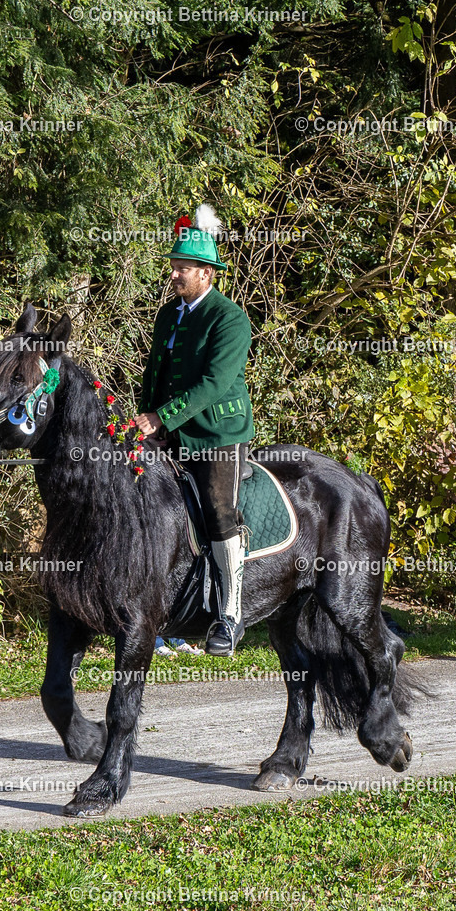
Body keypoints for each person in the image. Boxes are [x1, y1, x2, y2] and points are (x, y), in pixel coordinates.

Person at [136, 204, 255, 656]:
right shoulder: (169, 315)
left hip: (217, 433)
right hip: (171, 433)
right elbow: (154, 374)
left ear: (207, 273)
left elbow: (213, 384)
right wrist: (149, 420)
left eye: (182, 269)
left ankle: (230, 614)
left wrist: (163, 417)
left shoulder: (229, 319)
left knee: (217, 509)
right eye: (173, 268)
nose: (174, 276)